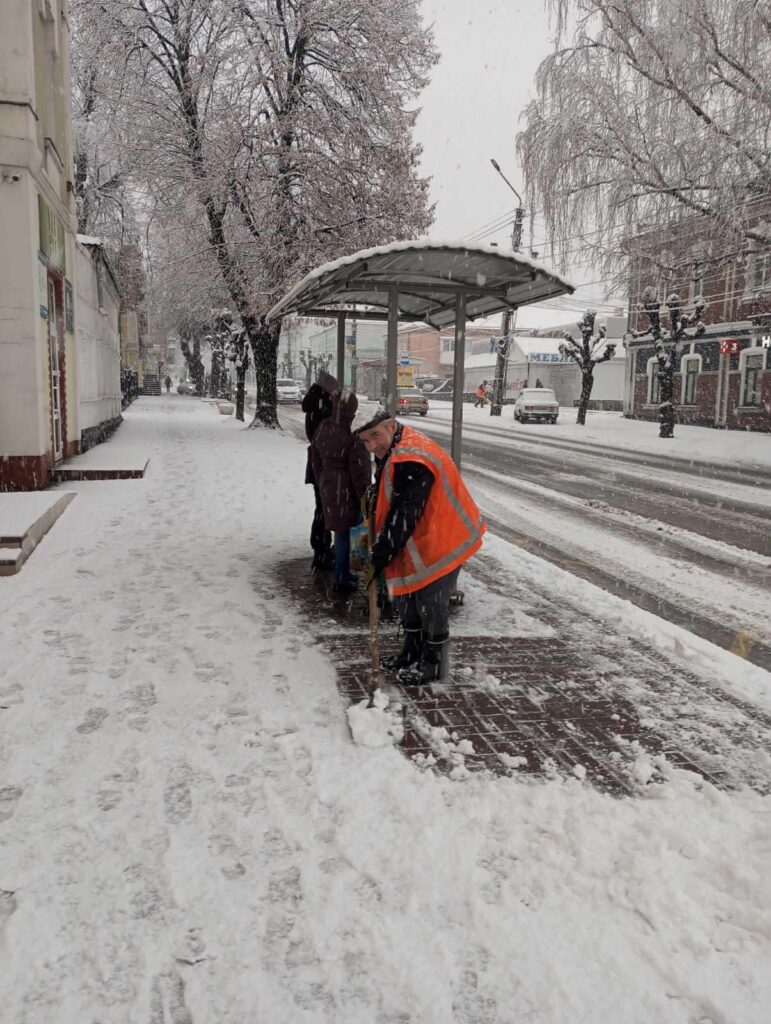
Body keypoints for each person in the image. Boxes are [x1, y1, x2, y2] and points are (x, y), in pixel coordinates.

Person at [358, 410, 486, 685]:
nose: (372, 446)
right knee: (407, 599)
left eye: (375, 436)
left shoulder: (413, 457)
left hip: (444, 539)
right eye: (364, 440)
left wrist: (380, 556)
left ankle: (433, 664)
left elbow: (406, 511)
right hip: (418, 539)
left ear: (391, 426)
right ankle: (412, 652)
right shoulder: (394, 446)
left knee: (432, 604)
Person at [311, 387, 371, 595]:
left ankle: (341, 573)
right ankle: (343, 578)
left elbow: (315, 456)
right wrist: (365, 495)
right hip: (347, 488)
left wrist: (323, 479)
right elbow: (360, 468)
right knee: (350, 533)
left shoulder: (324, 426)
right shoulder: (352, 430)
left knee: (340, 532)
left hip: (330, 486)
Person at [302, 371, 335, 572]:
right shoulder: (324, 410)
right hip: (324, 467)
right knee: (325, 511)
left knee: (321, 510)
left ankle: (320, 549)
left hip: (316, 466)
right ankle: (322, 552)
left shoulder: (312, 406)